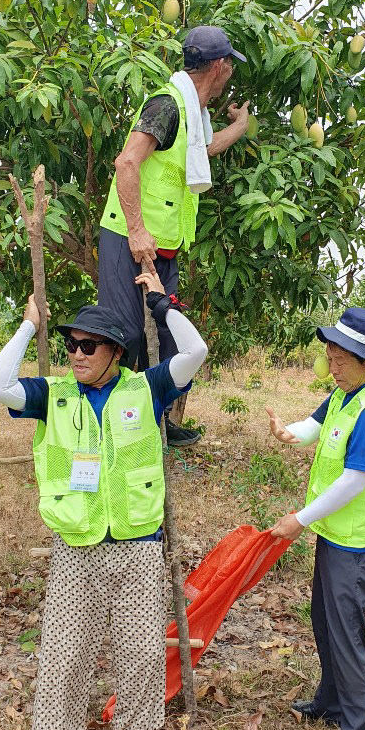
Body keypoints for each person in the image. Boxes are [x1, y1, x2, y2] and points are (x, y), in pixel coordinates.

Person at [0, 268, 207, 730]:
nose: (76, 354)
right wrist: (27, 328)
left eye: (88, 346)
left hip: (136, 544)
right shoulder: (53, 396)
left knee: (140, 651)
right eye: (70, 345)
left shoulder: (145, 387)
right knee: (66, 652)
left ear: (115, 352)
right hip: (78, 545)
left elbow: (196, 350)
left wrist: (160, 304)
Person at [266, 307, 365, 730]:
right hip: (336, 538)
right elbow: (316, 424)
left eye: (339, 354)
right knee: (325, 623)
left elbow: (355, 481)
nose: (330, 360)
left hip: (360, 548)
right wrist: (289, 432)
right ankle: (329, 702)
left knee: (348, 640)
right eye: (329, 350)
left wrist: (299, 520)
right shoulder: (347, 394)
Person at [98, 24, 249, 446]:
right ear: (219, 66)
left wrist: (242, 125)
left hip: (164, 246)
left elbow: (205, 149)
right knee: (123, 334)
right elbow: (126, 163)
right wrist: (136, 231)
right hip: (127, 238)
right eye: (230, 66)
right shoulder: (167, 105)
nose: (231, 73)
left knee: (168, 336)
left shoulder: (193, 115)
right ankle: (108, 427)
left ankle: (154, 425)